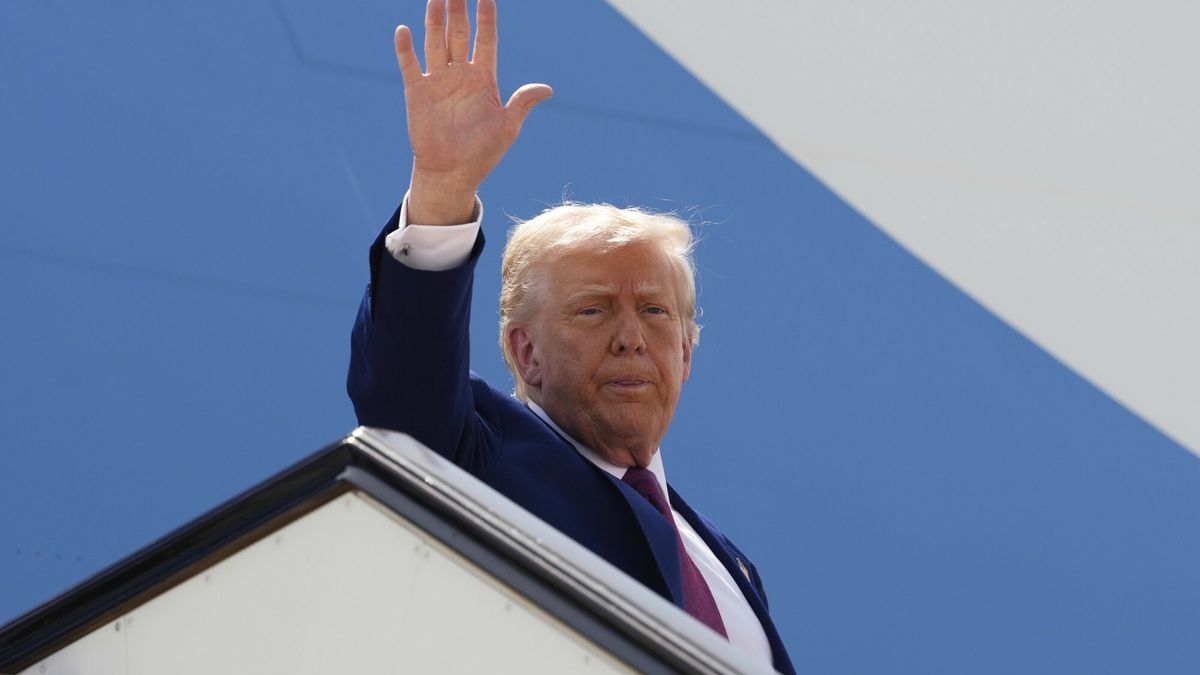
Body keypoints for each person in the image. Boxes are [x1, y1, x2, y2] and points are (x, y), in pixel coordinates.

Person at [347, 1, 795, 671]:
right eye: (593, 310)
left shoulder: (728, 563)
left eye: (654, 311)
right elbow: (404, 393)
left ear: (687, 352)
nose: (630, 338)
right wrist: (442, 190)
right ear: (524, 350)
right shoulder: (480, 456)